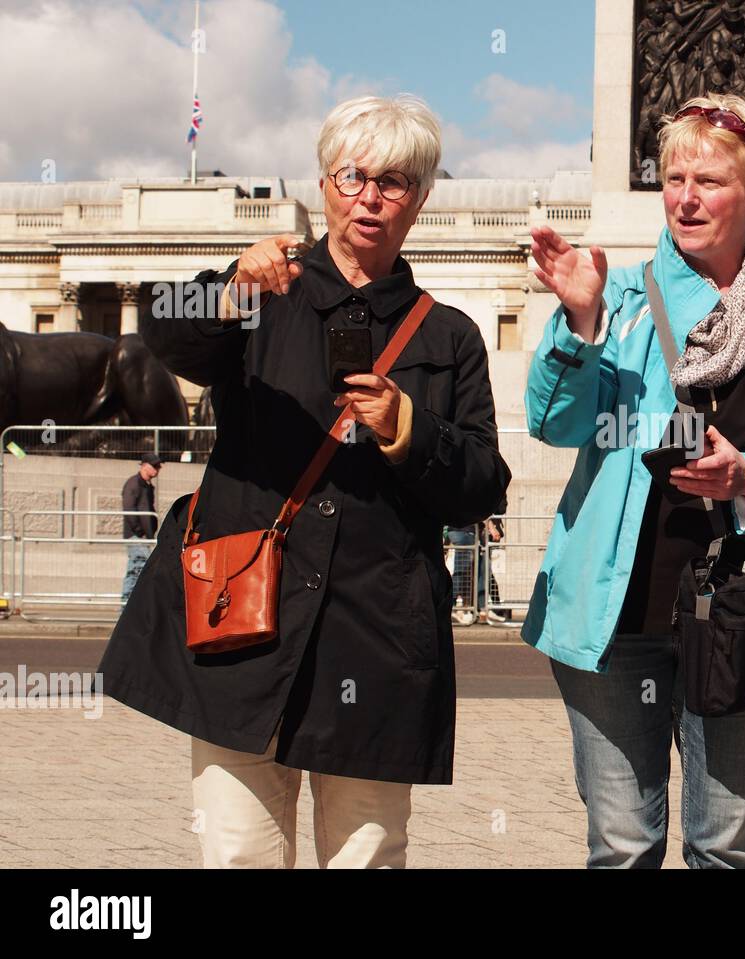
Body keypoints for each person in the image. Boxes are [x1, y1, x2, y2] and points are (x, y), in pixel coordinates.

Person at [97, 94, 511, 869]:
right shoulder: (262, 294)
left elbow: (482, 482)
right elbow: (160, 328)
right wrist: (229, 292)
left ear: (420, 197)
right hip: (246, 625)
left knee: (368, 858)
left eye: (394, 181)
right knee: (239, 857)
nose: (370, 197)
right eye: (352, 176)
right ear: (324, 183)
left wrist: (406, 429)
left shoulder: (450, 337)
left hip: (377, 639)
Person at [523, 93, 745, 868]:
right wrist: (579, 329)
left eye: (709, 180)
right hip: (615, 611)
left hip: (740, 610)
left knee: (726, 847)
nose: (686, 198)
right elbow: (555, 424)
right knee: (622, 847)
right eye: (672, 178)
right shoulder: (620, 298)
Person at [120, 453, 160, 604]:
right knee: (138, 567)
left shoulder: (147, 486)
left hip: (144, 536)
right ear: (144, 466)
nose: (158, 469)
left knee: (137, 567)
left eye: (158, 465)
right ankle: (127, 605)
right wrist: (140, 531)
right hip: (136, 535)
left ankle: (128, 605)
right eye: (155, 466)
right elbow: (129, 508)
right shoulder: (134, 484)